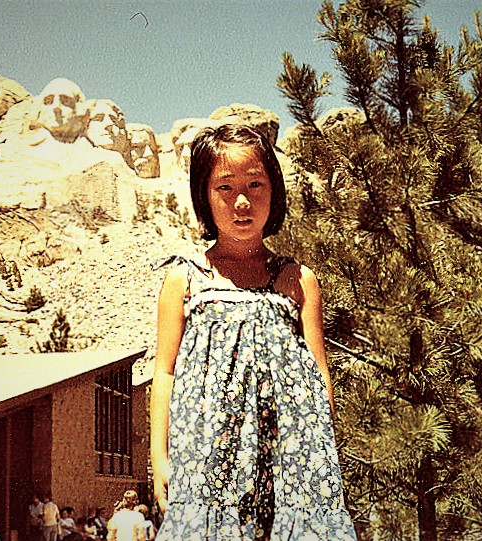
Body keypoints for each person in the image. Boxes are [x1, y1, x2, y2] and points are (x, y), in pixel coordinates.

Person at [150, 124, 358, 540]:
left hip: (289, 460)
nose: (242, 201)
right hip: (208, 458)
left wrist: (320, 456)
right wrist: (160, 459)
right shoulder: (184, 280)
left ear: (274, 190)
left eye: (255, 184)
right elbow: (165, 372)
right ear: (204, 195)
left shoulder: (297, 280)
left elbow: (320, 375)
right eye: (225, 187)